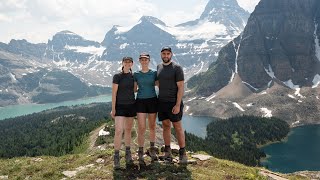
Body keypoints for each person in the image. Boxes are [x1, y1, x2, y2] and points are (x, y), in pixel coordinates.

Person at [157, 46, 188, 164]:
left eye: (167, 54)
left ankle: (182, 153)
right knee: (165, 126)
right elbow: (159, 83)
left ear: (171, 55)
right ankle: (167, 152)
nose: (165, 56)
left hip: (174, 103)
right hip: (162, 102)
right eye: (163, 53)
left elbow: (180, 87)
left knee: (178, 127)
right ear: (161, 54)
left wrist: (178, 104)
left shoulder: (177, 68)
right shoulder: (159, 67)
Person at [110, 56, 136, 169]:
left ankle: (128, 152)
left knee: (128, 130)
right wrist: (113, 108)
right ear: (122, 63)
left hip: (131, 106)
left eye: (129, 62)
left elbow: (135, 90)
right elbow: (114, 93)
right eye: (125, 61)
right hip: (120, 107)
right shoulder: (117, 76)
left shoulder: (133, 76)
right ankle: (116, 155)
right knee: (119, 130)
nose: (127, 63)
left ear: (132, 64)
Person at [133, 53, 158, 164]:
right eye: (142, 59)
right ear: (139, 61)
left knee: (152, 126)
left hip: (152, 100)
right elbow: (134, 89)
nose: (144, 61)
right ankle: (141, 151)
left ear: (149, 60)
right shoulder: (136, 74)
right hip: (140, 102)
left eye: (146, 59)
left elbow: (159, 85)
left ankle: (152, 150)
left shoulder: (154, 73)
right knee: (142, 128)